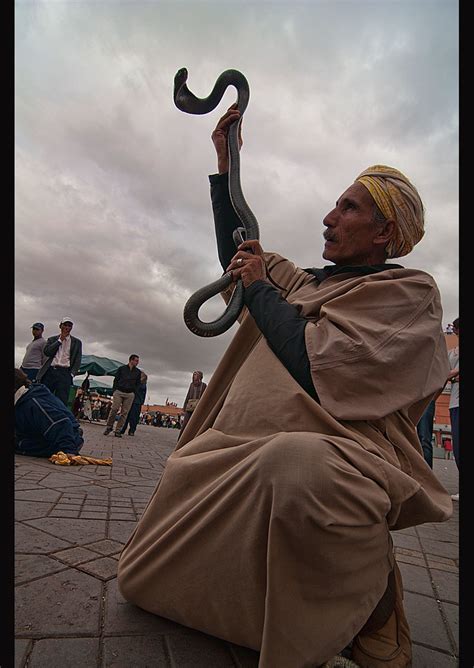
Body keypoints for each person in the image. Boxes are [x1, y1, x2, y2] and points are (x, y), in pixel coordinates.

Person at [118, 107, 453, 667]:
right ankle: (287, 608)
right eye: (333, 204)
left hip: (332, 465)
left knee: (297, 466)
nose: (328, 216)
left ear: (384, 231)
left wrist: (264, 293)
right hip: (232, 454)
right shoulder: (298, 281)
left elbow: (323, 368)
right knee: (139, 579)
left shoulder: (409, 296)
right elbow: (240, 255)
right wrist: (226, 167)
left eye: (348, 208)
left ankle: (367, 600)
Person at [15, 368, 84, 457]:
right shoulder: (22, 400)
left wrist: (68, 451)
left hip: (68, 436)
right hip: (47, 433)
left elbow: (61, 423)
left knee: (20, 444)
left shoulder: (33, 403)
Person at [36, 317, 83, 406]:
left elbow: (77, 359)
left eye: (69, 326)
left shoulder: (76, 342)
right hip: (51, 371)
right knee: (44, 397)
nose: (67, 327)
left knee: (61, 400)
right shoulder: (52, 339)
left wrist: (72, 374)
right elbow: (47, 352)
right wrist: (60, 340)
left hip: (65, 373)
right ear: (60, 326)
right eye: (65, 325)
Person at [103, 354, 141, 438]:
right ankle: (109, 426)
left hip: (130, 393)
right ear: (131, 360)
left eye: (138, 361)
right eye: (136, 360)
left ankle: (118, 430)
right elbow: (116, 380)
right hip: (119, 391)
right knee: (114, 409)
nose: (137, 362)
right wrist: (114, 390)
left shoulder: (138, 372)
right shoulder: (122, 369)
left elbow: (138, 383)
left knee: (124, 413)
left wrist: (134, 391)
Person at [447, 317, 459, 500]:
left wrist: (452, 375)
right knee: (457, 445)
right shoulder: (453, 352)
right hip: (454, 401)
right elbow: (445, 371)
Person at [178, 371, 207, 437]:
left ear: (200, 376)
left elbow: (206, 396)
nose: (194, 376)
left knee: (195, 424)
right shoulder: (191, 384)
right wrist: (184, 408)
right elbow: (188, 396)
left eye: (196, 375)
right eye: (194, 375)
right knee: (185, 424)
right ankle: (181, 439)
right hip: (189, 407)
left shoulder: (204, 385)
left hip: (198, 407)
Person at [416, 398, 436, 468]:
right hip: (408, 397)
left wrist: (432, 399)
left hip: (427, 399)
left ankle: (427, 476)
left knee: (424, 440)